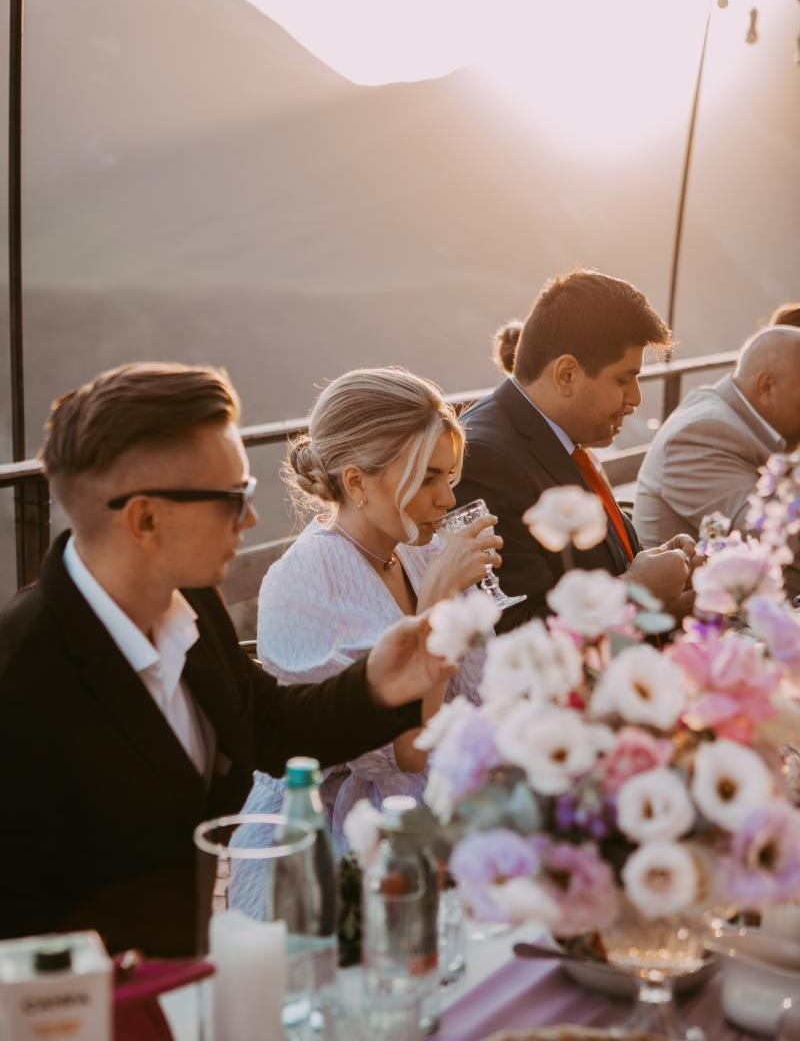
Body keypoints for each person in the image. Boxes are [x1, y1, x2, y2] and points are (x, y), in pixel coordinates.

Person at [0, 363, 456, 956]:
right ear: (145, 518)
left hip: (199, 981)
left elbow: (267, 726)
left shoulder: (188, 600)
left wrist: (377, 686)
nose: (252, 519)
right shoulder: (23, 679)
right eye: (231, 499)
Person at [243, 366, 502, 855]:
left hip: (455, 799)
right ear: (358, 482)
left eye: (448, 476)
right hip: (346, 835)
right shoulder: (302, 584)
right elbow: (408, 752)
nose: (448, 498)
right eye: (427, 479)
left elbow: (479, 696)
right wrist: (440, 603)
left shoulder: (418, 549)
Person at [456, 269, 696, 628]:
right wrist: (635, 590)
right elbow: (514, 630)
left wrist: (660, 572)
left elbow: (591, 570)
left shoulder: (562, 437)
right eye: (623, 379)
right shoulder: (485, 460)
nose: (635, 398)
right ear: (566, 374)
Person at [634, 305, 800, 599]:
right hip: (695, 630)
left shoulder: (738, 419)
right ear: (766, 386)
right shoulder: (702, 434)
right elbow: (776, 539)